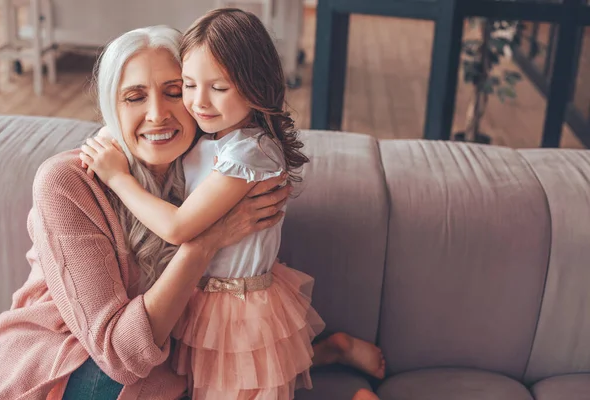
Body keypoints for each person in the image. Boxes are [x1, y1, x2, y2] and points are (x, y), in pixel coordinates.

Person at [80, 9, 385, 400]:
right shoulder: (207, 135)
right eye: (188, 85)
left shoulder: (251, 153)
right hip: (202, 296)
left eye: (218, 88)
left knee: (250, 378)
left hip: (241, 302)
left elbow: (178, 228)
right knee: (248, 374)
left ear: (255, 86)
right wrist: (112, 133)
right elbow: (140, 122)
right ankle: (329, 351)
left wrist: (117, 177)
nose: (198, 102)